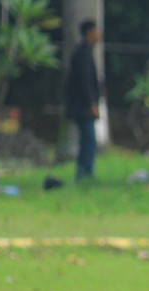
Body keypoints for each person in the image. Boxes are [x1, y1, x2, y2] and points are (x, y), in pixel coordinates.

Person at [65, 19, 101, 181]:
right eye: (96, 31)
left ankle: (83, 172)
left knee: (87, 140)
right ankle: (85, 173)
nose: (99, 34)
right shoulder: (83, 54)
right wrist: (91, 103)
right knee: (89, 140)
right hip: (82, 106)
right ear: (89, 33)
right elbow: (84, 82)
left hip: (82, 105)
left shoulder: (85, 52)